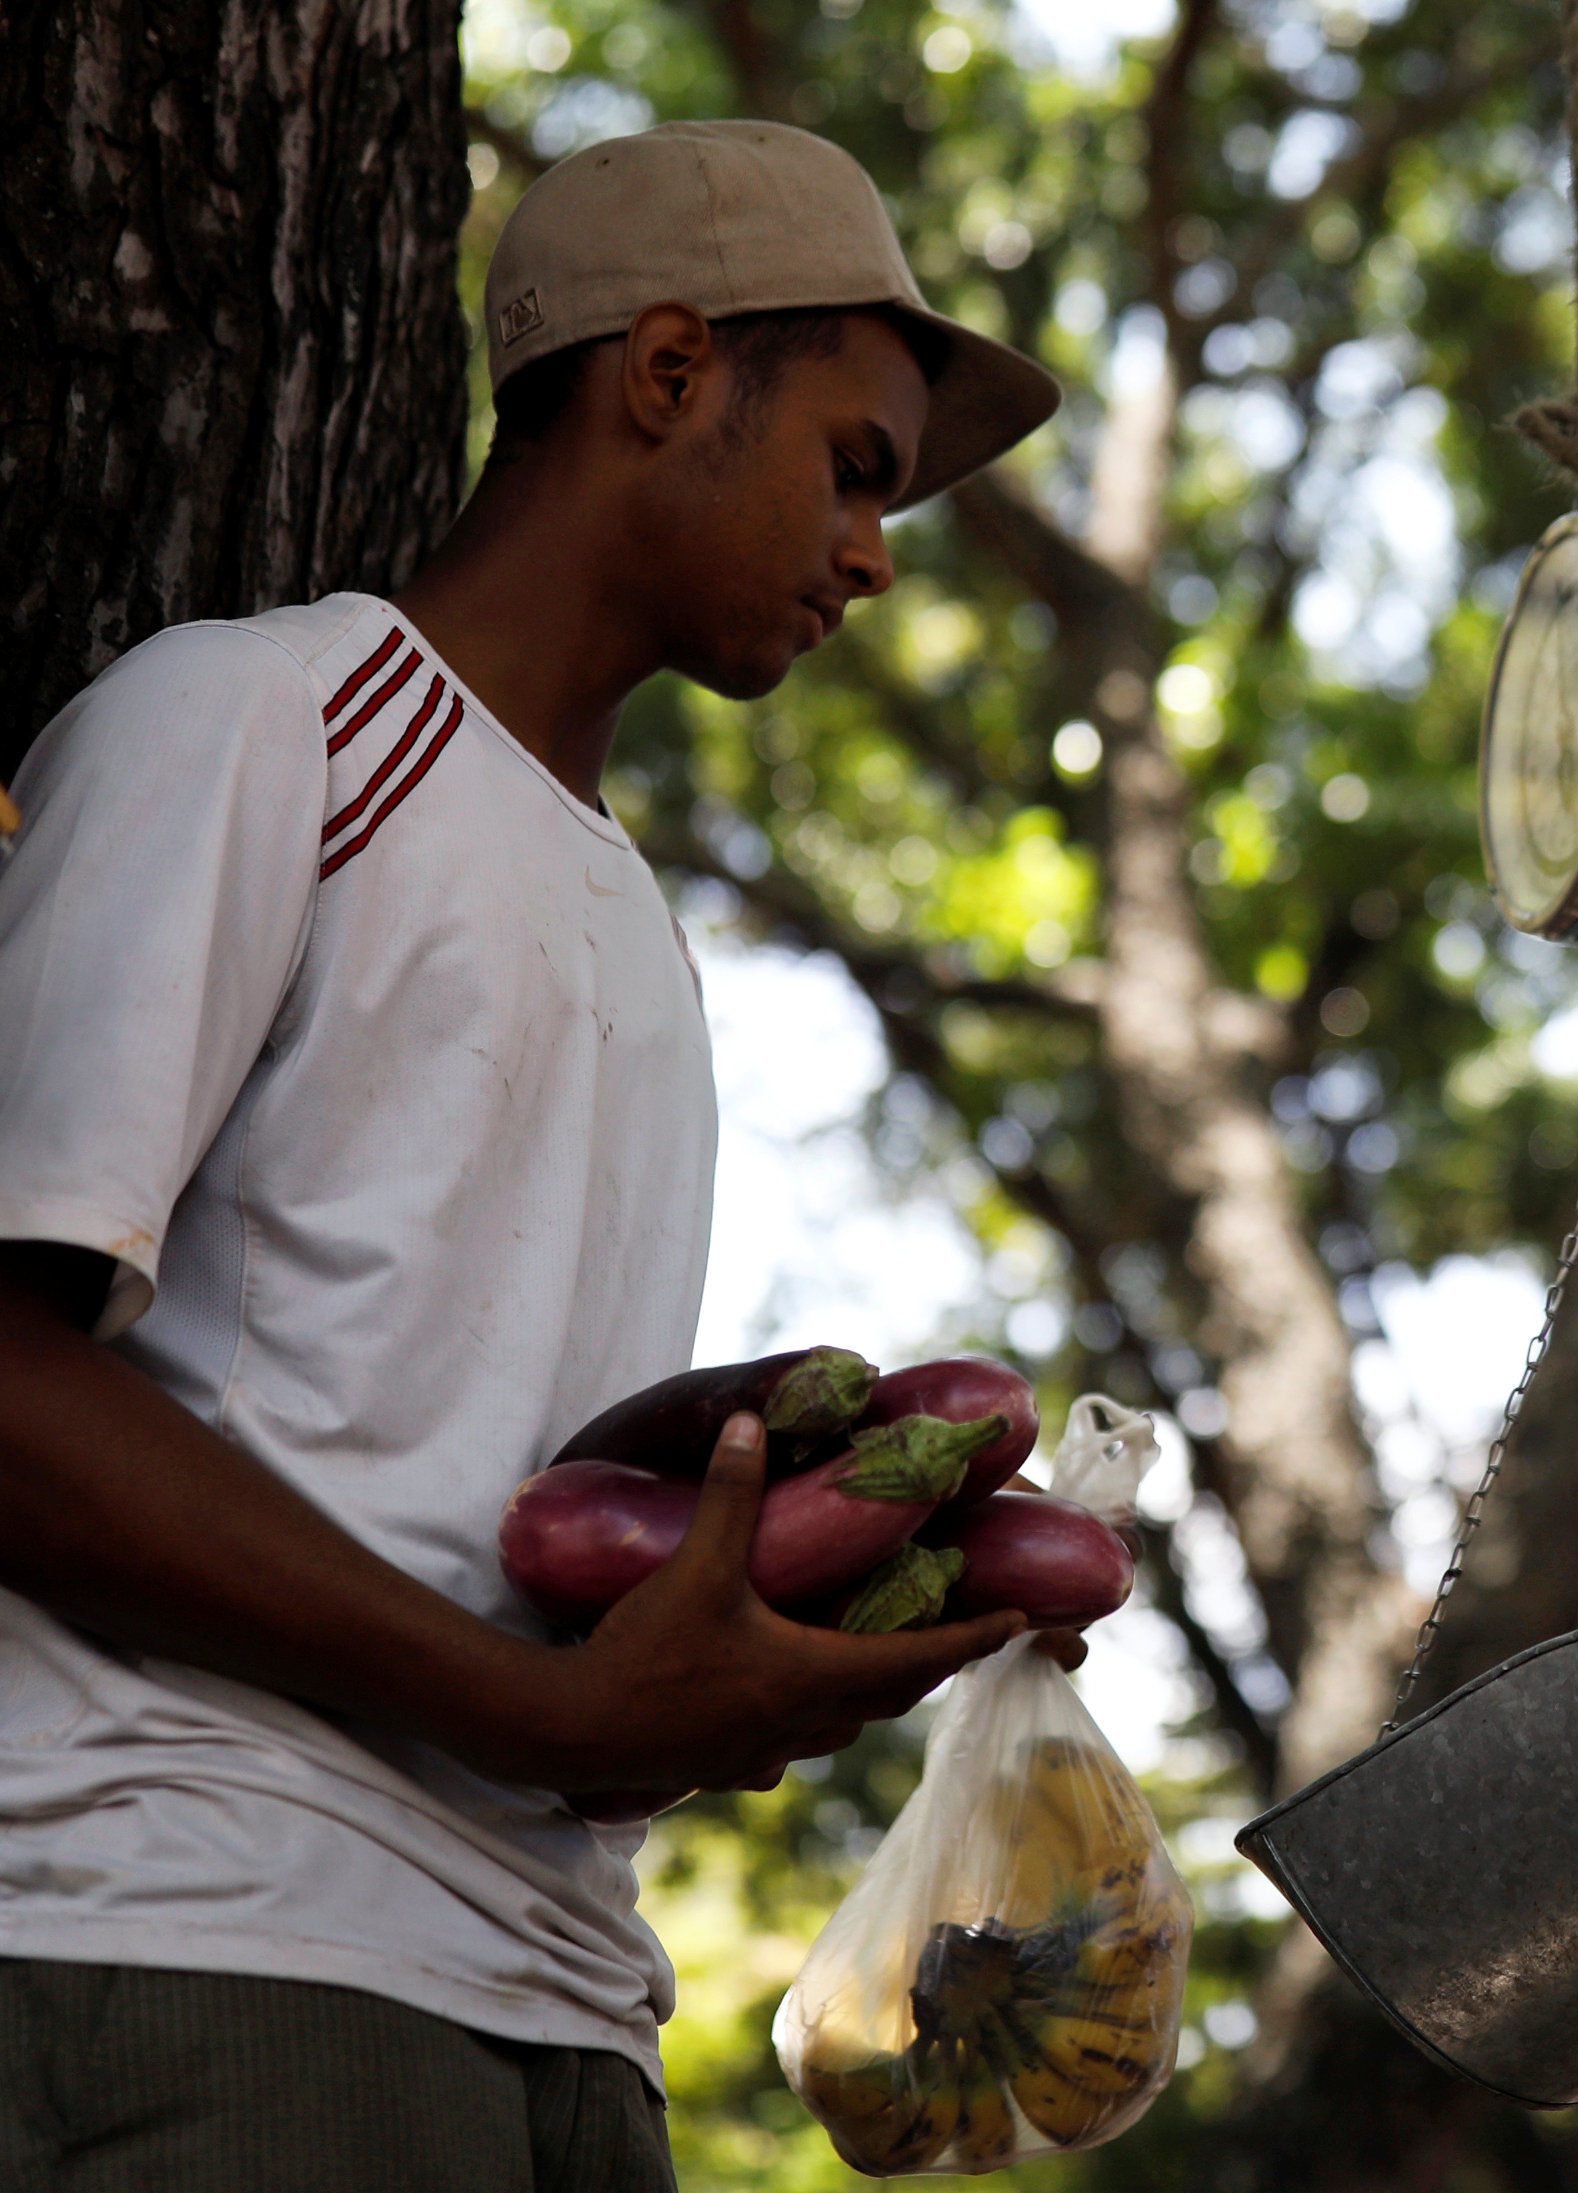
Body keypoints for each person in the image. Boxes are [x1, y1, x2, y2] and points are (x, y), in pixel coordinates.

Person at [0, 122, 1063, 2189]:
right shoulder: (262, 722)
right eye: (855, 463)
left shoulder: (642, 935)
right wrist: (534, 1710)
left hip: (569, 2011)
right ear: (667, 373)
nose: (875, 551)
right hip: (215, 1942)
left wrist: (812, 1563)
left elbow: (477, 1494)